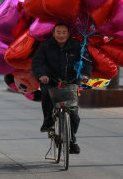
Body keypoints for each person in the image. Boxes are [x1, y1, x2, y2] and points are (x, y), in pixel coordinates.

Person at [31, 22, 93, 154]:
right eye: (58, 32)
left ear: (68, 34)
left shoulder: (77, 45)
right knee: (46, 94)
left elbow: (87, 62)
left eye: (64, 33)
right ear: (53, 33)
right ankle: (48, 121)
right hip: (51, 81)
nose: (61, 35)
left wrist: (85, 75)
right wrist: (41, 75)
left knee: (74, 115)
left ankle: (72, 140)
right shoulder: (46, 45)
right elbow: (37, 62)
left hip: (71, 82)